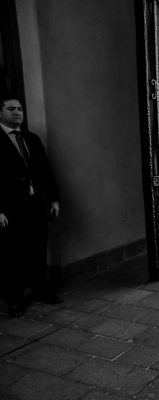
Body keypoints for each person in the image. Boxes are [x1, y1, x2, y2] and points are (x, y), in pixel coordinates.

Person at [0, 96, 62, 318]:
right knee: (13, 255)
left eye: (19, 109)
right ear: (0, 113)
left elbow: (46, 170)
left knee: (38, 249)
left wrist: (54, 199)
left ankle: (41, 290)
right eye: (11, 109)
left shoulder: (31, 138)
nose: (17, 112)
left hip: (38, 205)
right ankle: (14, 300)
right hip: (11, 209)